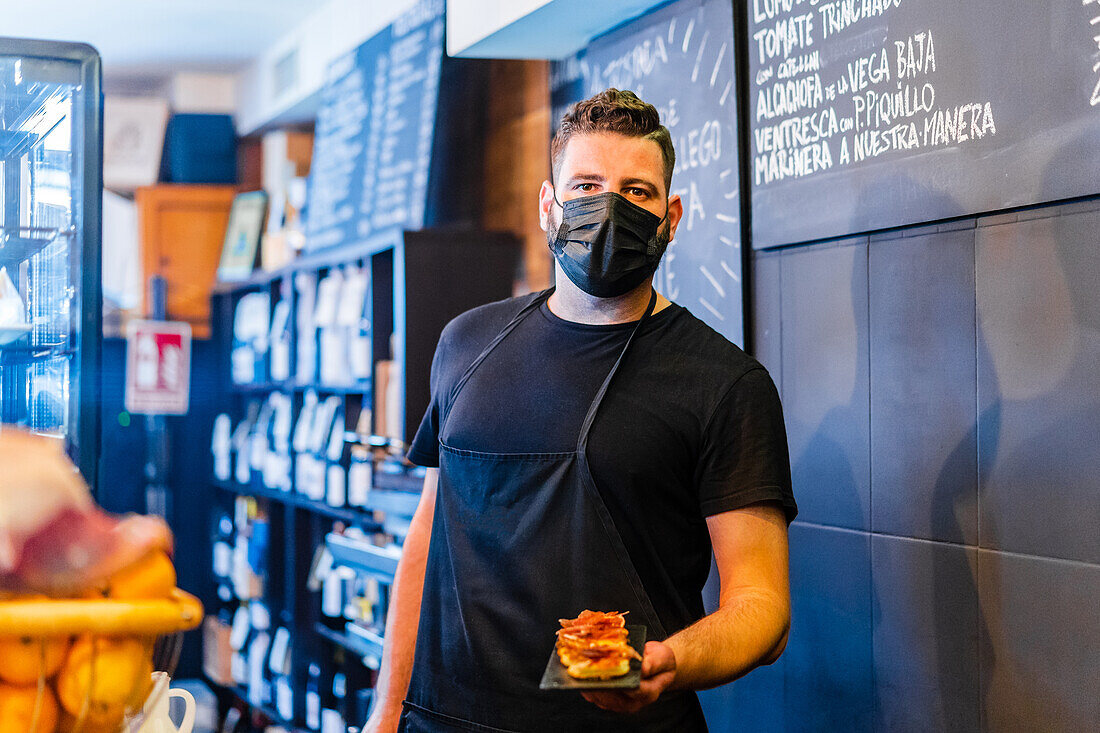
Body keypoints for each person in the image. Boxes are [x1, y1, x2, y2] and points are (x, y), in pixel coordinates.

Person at [365, 88, 797, 733]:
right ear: (549, 205)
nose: (609, 208)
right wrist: (385, 711)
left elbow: (762, 605)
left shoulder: (724, 383)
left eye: (637, 193)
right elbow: (427, 541)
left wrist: (669, 663)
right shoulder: (467, 344)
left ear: (670, 217)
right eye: (587, 185)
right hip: (442, 719)